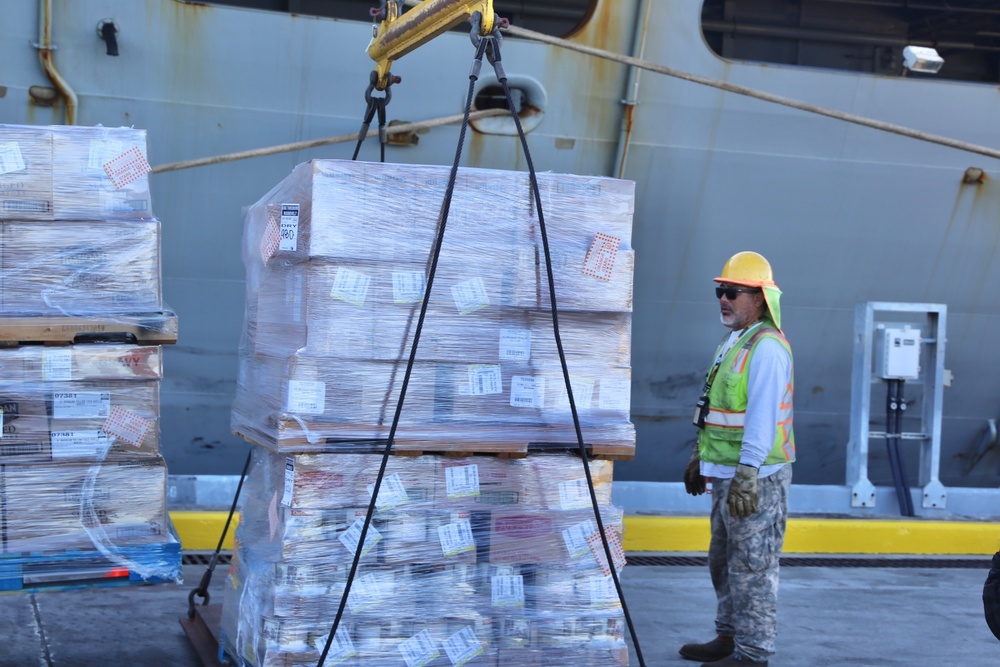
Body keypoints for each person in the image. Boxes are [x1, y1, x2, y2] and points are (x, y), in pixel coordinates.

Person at [680, 251, 795, 666]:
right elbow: (715, 406)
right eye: (720, 291)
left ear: (761, 298)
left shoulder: (767, 349)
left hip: (756, 479)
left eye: (733, 292)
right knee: (723, 561)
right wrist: (699, 455)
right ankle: (728, 636)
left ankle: (753, 653)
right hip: (728, 473)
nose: (723, 299)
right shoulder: (735, 341)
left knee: (753, 568)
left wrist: (747, 473)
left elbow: (762, 420)